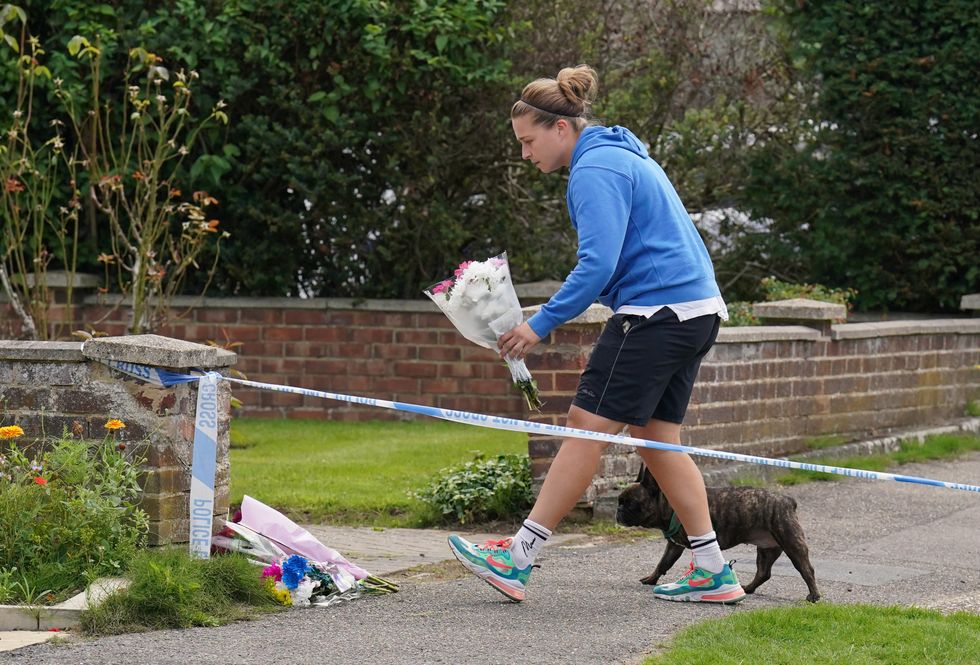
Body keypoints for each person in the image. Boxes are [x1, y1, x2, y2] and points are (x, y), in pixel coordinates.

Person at [447, 64, 744, 605]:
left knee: (586, 426)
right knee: (657, 441)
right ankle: (713, 569)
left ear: (561, 128)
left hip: (654, 315)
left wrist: (537, 324)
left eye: (528, 140)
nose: (524, 153)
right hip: (697, 311)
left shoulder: (595, 169)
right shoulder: (617, 152)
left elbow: (597, 265)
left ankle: (516, 560)